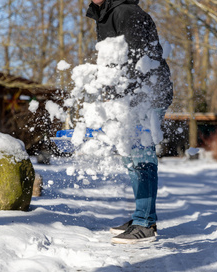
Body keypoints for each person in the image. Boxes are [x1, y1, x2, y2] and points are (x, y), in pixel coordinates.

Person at [86, 0, 173, 244]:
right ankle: (142, 216)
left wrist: (128, 99)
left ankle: (144, 223)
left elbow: (141, 59)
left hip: (147, 92)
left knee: (141, 153)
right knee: (129, 154)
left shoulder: (126, 12)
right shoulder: (106, 14)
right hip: (130, 95)